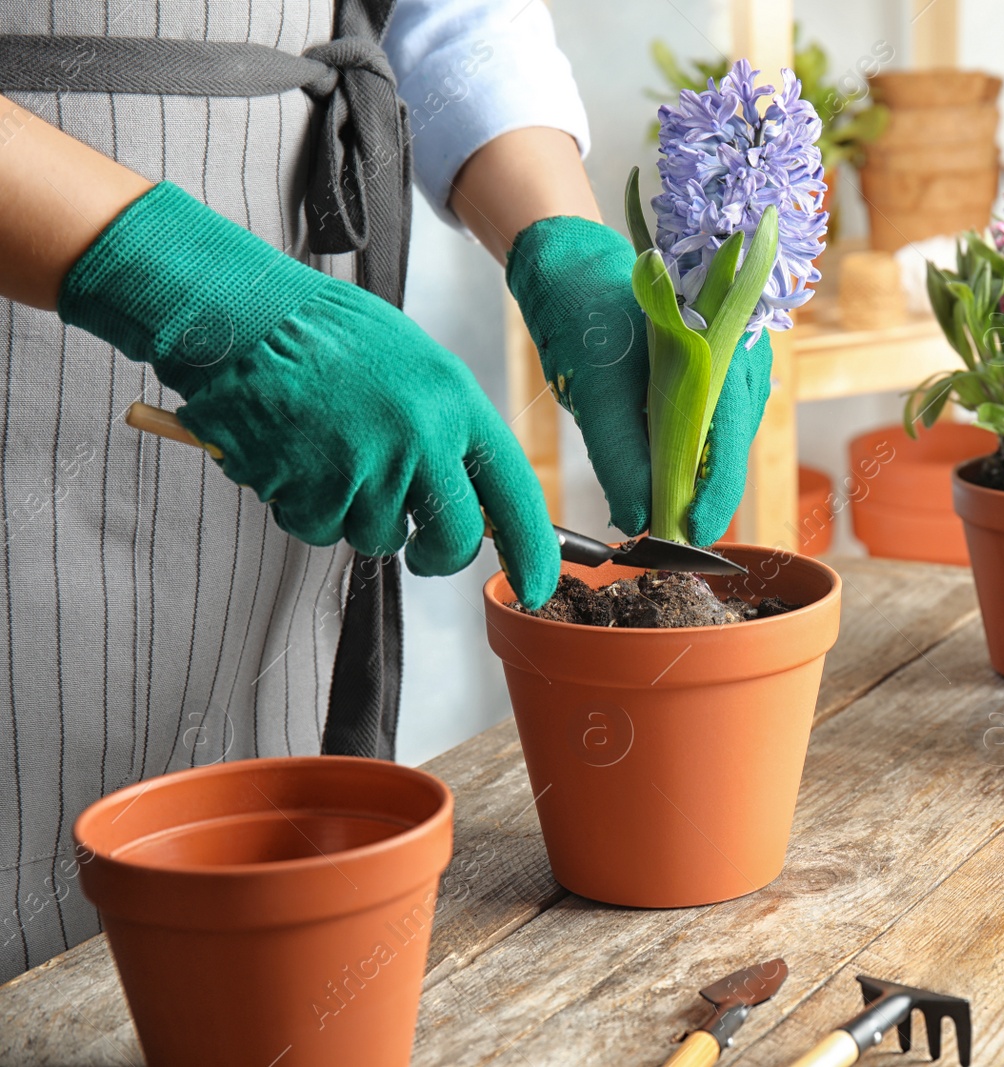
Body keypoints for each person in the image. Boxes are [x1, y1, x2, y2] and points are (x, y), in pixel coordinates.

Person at [0, 0, 773, 981]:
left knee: (248, 891)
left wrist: (558, 235)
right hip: (34, 317)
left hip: (293, 266)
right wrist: (183, 282)